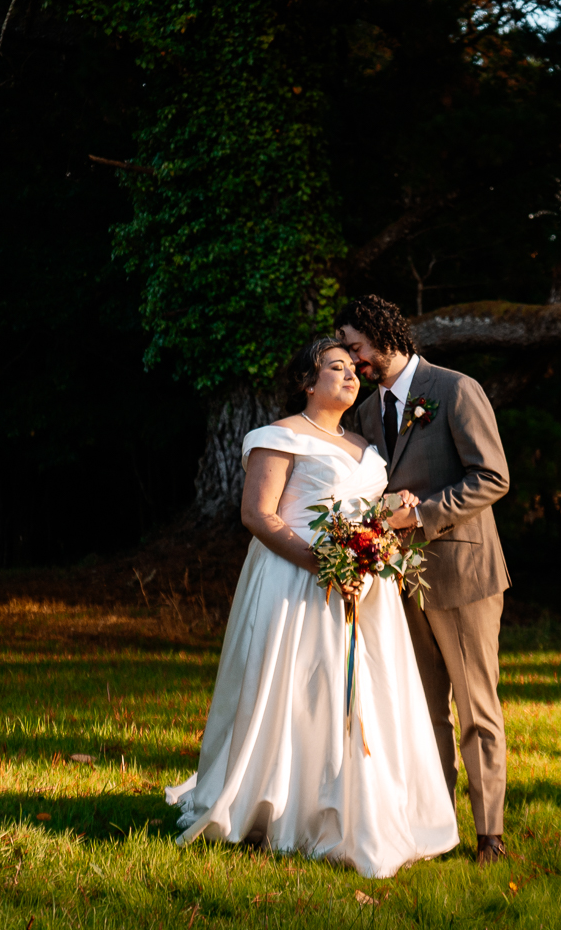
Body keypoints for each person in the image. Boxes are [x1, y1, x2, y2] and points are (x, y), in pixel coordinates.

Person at [165, 338, 460, 878]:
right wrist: (322, 564)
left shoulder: (366, 446)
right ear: (308, 380)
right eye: (337, 368)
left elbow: (370, 514)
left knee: (360, 695)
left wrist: (389, 525)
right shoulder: (279, 437)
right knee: (298, 688)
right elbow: (258, 515)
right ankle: (277, 804)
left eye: (354, 369)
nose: (352, 376)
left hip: (363, 590)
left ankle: (350, 807)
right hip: (292, 580)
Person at [336, 294, 513, 865]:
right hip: (398, 581)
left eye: (357, 348)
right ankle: (440, 827)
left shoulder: (455, 389)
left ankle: (491, 835)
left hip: (462, 571)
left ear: (384, 336)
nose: (354, 361)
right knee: (425, 709)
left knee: (475, 705)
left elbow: (492, 476)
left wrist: (421, 513)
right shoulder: (366, 414)